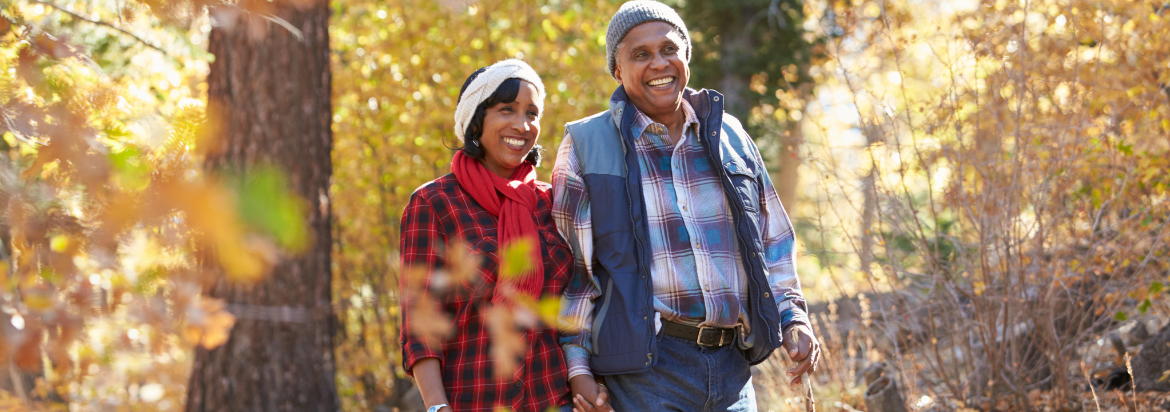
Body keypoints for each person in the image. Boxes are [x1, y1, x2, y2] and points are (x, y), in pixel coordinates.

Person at [552, 2, 821, 411]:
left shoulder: (729, 134)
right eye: (640, 54)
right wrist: (577, 368)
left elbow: (774, 240)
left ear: (686, 57)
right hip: (645, 373)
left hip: (733, 370)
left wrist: (792, 316)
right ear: (617, 71)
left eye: (669, 49)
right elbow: (575, 274)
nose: (659, 62)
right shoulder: (586, 146)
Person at [399, 59, 588, 412]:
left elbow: (577, 304)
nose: (523, 124)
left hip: (552, 399)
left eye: (532, 113)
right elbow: (419, 323)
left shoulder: (552, 200)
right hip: (473, 400)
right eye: (507, 110)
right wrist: (437, 407)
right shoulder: (435, 202)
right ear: (476, 120)